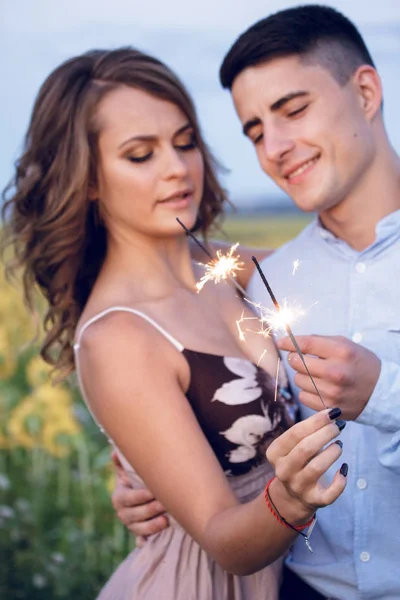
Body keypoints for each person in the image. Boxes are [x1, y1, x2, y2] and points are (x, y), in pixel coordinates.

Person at [1, 47, 347, 600]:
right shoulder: (119, 337)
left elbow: (351, 275)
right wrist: (296, 494)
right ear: (86, 179)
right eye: (140, 154)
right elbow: (224, 542)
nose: (177, 167)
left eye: (185, 143)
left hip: (306, 575)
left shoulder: (227, 267)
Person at [112, 5, 400, 600]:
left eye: (294, 110)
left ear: (366, 92)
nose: (275, 146)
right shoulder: (270, 281)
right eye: (254, 130)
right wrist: (153, 480)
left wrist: (386, 394)